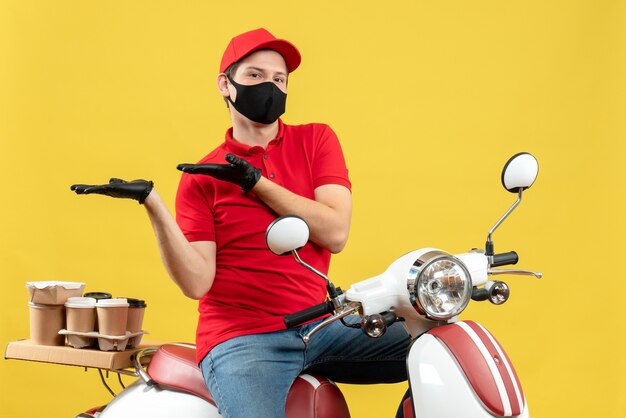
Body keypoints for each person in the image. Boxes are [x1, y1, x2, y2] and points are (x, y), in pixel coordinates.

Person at [71, 28, 410, 418]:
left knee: (438, 348)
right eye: (254, 75)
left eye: (278, 79)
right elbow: (198, 282)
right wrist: (153, 204)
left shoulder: (316, 140)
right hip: (245, 340)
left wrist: (256, 183)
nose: (269, 86)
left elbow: (334, 233)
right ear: (225, 85)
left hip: (321, 325)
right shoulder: (203, 177)